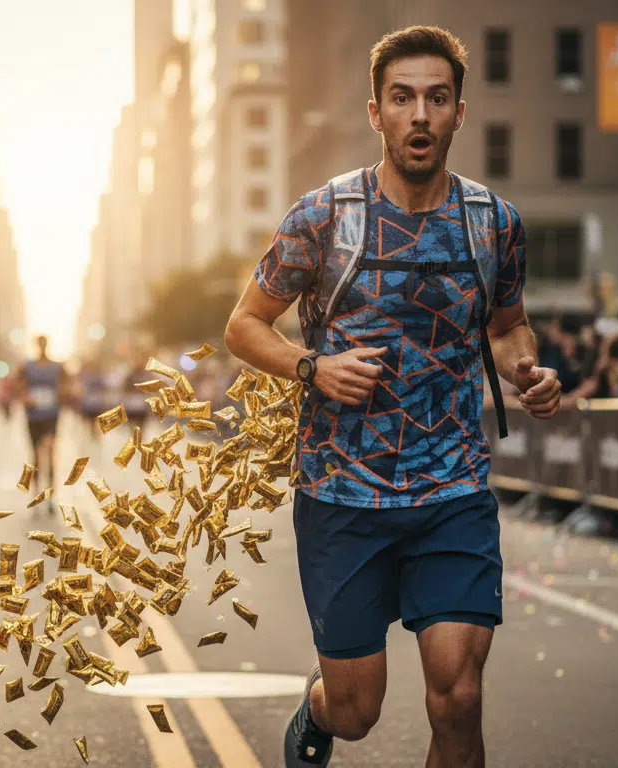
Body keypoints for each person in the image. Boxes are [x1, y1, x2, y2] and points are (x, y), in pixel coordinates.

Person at [222, 27, 560, 767]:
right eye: (402, 98)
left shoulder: (493, 223)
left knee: (459, 699)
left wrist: (526, 369)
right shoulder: (323, 216)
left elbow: (508, 327)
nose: (420, 115)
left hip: (453, 487)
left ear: (459, 113)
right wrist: (314, 368)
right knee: (356, 713)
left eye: (436, 99)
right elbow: (243, 327)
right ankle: (320, 707)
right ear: (375, 113)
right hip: (343, 491)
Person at [15, 334, 67, 509]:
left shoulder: (57, 366)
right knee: (36, 456)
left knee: (51, 452)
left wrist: (62, 394)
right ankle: (37, 491)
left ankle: (51, 495)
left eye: (45, 343)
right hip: (33, 415)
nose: (42, 346)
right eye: (40, 343)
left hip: (51, 415)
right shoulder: (27, 366)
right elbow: (17, 384)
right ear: (37, 345)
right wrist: (24, 397)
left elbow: (67, 384)